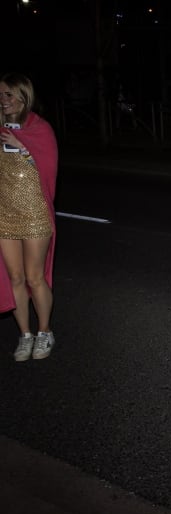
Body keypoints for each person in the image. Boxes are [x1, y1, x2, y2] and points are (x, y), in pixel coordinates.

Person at [0, 72, 58, 362]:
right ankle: (25, 334)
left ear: (23, 96)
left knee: (35, 278)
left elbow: (47, 170)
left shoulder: (40, 129)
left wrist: (23, 146)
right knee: (15, 277)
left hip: (34, 211)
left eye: (8, 94)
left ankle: (45, 330)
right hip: (4, 212)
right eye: (0, 95)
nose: (3, 100)